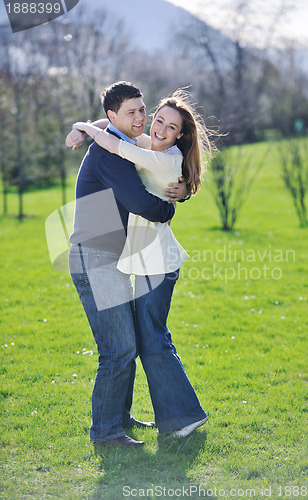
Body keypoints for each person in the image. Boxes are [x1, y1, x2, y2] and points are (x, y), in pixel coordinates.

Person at [68, 88, 212, 437]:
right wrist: (170, 207)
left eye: (142, 111)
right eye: (132, 113)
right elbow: (143, 204)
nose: (142, 120)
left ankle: (120, 418)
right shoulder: (109, 155)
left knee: (130, 343)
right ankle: (106, 430)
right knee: (119, 349)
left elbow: (116, 128)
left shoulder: (134, 145)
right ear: (115, 117)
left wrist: (84, 126)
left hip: (116, 258)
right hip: (96, 258)